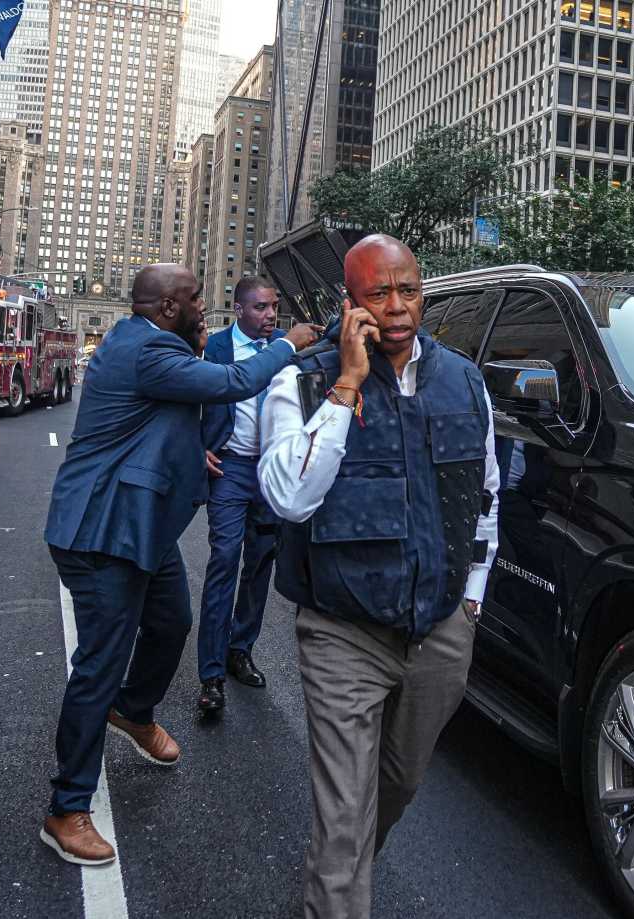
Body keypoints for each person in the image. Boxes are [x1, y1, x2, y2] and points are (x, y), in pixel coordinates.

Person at [40, 264, 320, 866]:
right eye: (196, 297)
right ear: (169, 307)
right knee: (98, 665)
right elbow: (235, 380)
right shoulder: (149, 352)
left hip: (143, 527)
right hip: (103, 531)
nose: (204, 305)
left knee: (171, 623)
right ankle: (67, 809)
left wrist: (195, 451)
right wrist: (286, 344)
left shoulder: (152, 344)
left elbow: (152, 421)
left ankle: (133, 711)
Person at [258, 235, 500, 919]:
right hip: (343, 633)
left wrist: (472, 602)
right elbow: (287, 497)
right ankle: (335, 894)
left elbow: (485, 496)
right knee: (341, 819)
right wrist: (347, 383)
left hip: (441, 629)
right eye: (378, 294)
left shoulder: (463, 380)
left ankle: (340, 877)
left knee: (396, 784)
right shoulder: (301, 380)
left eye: (409, 291)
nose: (397, 308)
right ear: (350, 302)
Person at [196, 276, 286, 712]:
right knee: (225, 560)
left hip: (271, 472)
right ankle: (210, 675)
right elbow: (189, 399)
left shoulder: (287, 346)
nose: (270, 315)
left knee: (260, 564)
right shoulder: (215, 348)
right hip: (229, 468)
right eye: (261, 308)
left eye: (274, 307)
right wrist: (198, 447)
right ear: (238, 310)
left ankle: (239, 649)